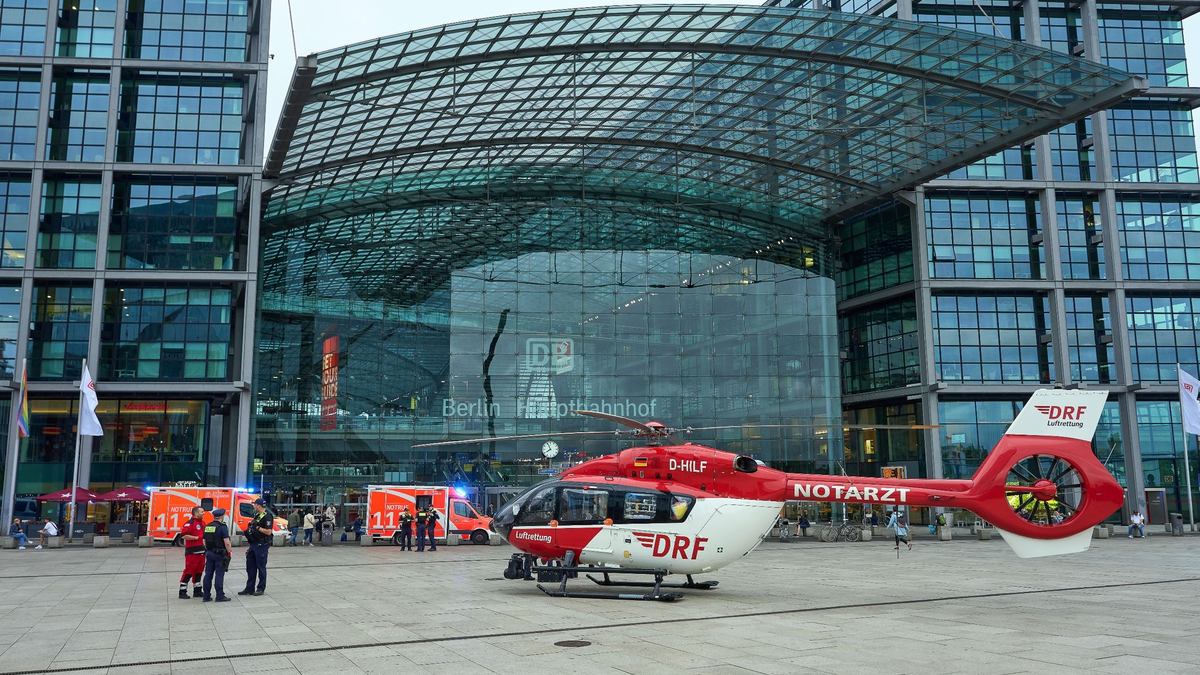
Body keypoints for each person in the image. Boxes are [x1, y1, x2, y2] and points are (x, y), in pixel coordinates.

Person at [239, 498, 274, 597]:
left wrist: (257, 528)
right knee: (250, 567)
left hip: (261, 545)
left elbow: (268, 531)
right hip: (253, 544)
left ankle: (260, 588)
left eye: (254, 505)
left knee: (261, 567)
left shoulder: (267, 516)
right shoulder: (257, 516)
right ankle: (249, 588)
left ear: (258, 505)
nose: (253, 506)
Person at [201, 508, 232, 602]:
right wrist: (229, 552)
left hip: (209, 553)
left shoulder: (208, 526)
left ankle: (206, 596)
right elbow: (227, 542)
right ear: (222, 516)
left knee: (208, 575)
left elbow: (203, 541)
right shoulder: (222, 527)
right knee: (219, 574)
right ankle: (220, 595)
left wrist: (208, 550)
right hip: (220, 554)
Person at [178, 506, 207, 599]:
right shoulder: (190, 523)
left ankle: (197, 590)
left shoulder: (203, 523)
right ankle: (182, 591)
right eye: (201, 512)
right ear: (196, 513)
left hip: (202, 551)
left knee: (199, 571)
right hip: (192, 552)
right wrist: (196, 538)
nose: (204, 513)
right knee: (189, 571)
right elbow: (183, 535)